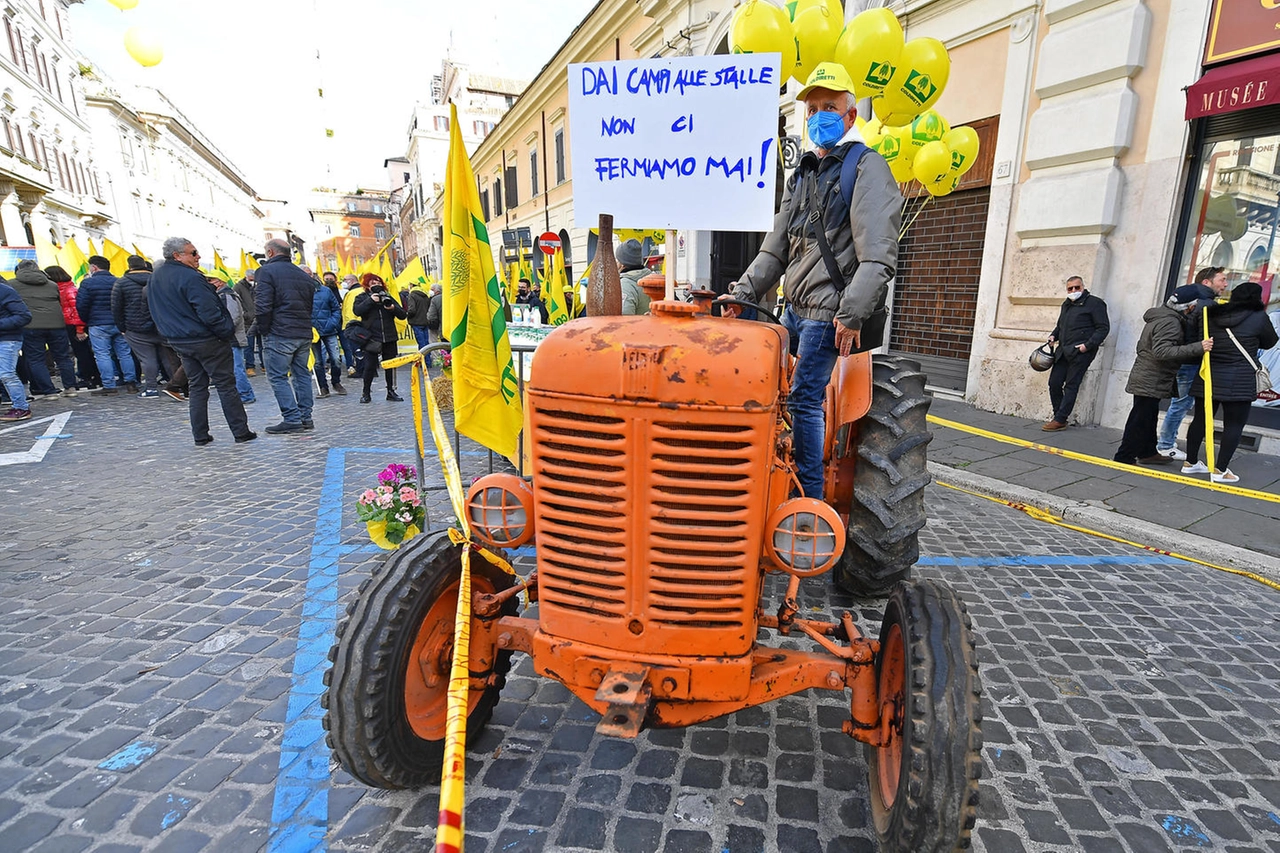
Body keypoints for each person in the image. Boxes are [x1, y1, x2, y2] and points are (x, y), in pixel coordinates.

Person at [723, 62, 902, 500]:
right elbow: (775, 248)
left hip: (828, 314)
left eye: (829, 106)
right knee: (771, 393)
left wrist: (852, 314)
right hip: (792, 311)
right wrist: (740, 295)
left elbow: (878, 255)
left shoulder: (866, 168)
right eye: (812, 108)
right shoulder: (803, 172)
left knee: (804, 399)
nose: (819, 114)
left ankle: (807, 498)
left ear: (851, 114)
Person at [147, 238, 255, 445]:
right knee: (225, 385)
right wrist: (224, 330)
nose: (198, 257)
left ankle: (200, 435)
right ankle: (240, 431)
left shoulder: (157, 277)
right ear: (177, 255)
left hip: (180, 338)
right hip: (205, 338)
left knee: (197, 386)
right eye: (193, 253)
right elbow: (208, 311)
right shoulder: (190, 277)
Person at [1182, 281, 1278, 483]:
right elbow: (1270, 342)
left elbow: (1202, 340)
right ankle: (1220, 470)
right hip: (1240, 379)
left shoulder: (1212, 313)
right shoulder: (1259, 317)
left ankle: (1190, 463)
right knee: (1234, 425)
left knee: (1200, 419)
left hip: (1208, 375)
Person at [1113, 286, 1213, 466]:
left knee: (1148, 416)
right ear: (1188, 307)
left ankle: (1148, 452)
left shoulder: (1162, 316)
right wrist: (1199, 347)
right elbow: (1162, 351)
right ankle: (1124, 456)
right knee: (1140, 418)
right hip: (1152, 376)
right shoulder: (1170, 322)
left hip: (1149, 374)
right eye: (1194, 305)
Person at [1155, 266, 1228, 459]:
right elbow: (1200, 334)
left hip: (1187, 359)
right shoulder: (1205, 304)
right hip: (1192, 360)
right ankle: (1165, 445)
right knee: (1181, 404)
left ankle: (1165, 443)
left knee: (1179, 403)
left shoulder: (1192, 300)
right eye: (1222, 279)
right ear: (1207, 282)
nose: (1225, 284)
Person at [255, 238, 317, 434]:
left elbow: (263, 305)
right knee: (302, 375)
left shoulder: (266, 271)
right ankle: (305, 416)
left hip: (280, 331)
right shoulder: (302, 274)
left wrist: (264, 329)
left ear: (271, 253)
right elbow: (308, 306)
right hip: (302, 330)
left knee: (278, 376)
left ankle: (291, 418)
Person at [112, 255, 187, 400]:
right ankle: (177, 386)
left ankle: (151, 388)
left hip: (135, 326)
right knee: (168, 358)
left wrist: (121, 327)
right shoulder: (158, 280)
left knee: (147, 359)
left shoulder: (121, 283)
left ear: (129, 266)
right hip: (161, 324)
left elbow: (116, 307)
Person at [1042, 275, 1110, 431]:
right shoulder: (1066, 304)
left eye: (1076, 287)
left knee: (1071, 386)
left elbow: (1103, 328)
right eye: (1070, 288)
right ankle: (1058, 414)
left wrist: (1087, 346)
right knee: (1054, 383)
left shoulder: (1095, 303)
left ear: (1083, 287)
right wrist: (1054, 335)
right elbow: (1060, 326)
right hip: (1063, 350)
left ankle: (1060, 419)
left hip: (1081, 352)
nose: (1073, 291)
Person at [10, 260, 79, 399]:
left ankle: (49, 391)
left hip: (30, 325)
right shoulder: (51, 284)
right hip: (57, 324)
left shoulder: (12, 284)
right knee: (63, 357)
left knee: (36, 359)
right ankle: (70, 387)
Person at [77, 255, 138, 395]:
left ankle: (109, 385)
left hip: (98, 323)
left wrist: (87, 320)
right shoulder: (118, 281)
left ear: (94, 267)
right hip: (118, 322)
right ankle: (131, 383)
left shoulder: (87, 283)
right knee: (124, 353)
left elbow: (82, 305)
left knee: (102, 354)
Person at [352, 273, 407, 403]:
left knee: (390, 365)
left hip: (389, 336)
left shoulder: (388, 297)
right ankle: (366, 392)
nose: (376, 285)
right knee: (369, 366)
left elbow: (402, 315)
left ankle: (391, 391)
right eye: (372, 283)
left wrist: (392, 308)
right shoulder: (361, 297)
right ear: (367, 286)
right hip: (372, 337)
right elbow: (357, 311)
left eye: (378, 283)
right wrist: (371, 301)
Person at [46, 265, 98, 391]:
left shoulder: (68, 289)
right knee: (80, 352)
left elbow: (76, 309)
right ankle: (87, 376)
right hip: (69, 323)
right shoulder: (61, 288)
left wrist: (79, 328)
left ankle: (90, 377)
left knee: (83, 353)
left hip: (73, 324)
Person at [209, 270, 255, 404]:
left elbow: (233, 318)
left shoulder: (227, 296)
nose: (209, 282)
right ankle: (244, 394)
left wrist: (221, 330)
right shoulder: (224, 295)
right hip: (231, 337)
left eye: (211, 280)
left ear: (220, 282)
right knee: (235, 368)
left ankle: (245, 395)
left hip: (232, 338)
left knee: (237, 368)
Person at [0, 278, 32, 420]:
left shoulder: (5, 291)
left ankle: (21, 407)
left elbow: (24, 316)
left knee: (7, 374)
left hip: (8, 338)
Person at [312, 271, 346, 397]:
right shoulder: (300, 292)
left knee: (336, 358)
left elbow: (336, 308)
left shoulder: (326, 291)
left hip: (329, 329)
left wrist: (332, 322)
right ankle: (323, 387)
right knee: (317, 362)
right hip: (313, 332)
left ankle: (336, 382)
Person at [617, 239, 651, 316]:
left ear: (622, 264)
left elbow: (625, 318)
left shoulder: (625, 284)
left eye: (618, 260)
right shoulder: (651, 278)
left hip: (636, 327)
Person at [235, 269, 258, 377]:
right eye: (251, 279)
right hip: (247, 321)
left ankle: (264, 365)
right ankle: (250, 366)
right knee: (249, 345)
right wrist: (245, 315)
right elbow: (236, 302)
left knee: (263, 345)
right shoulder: (238, 287)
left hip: (259, 318)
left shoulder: (259, 284)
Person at [403, 280, 432, 348]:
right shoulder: (425, 294)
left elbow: (412, 310)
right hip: (425, 321)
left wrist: (407, 315)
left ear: (412, 285)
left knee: (421, 344)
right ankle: (428, 358)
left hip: (416, 322)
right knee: (426, 343)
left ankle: (424, 358)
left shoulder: (412, 295)